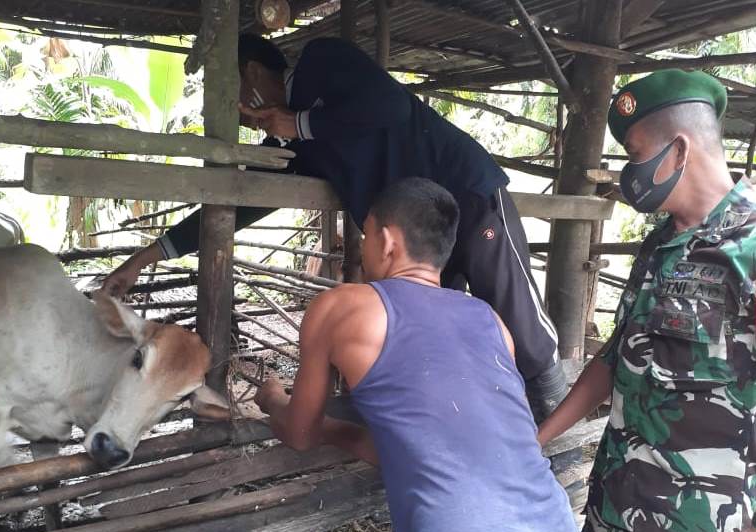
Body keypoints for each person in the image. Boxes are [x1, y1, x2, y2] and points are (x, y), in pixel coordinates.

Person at [101, 34, 568, 422]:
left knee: (516, 314)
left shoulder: (321, 62)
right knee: (436, 336)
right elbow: (240, 206)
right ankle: (473, 426)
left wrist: (300, 121)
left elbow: (391, 107)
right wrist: (142, 259)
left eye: (238, 96)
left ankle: (553, 412)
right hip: (422, 242)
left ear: (254, 73)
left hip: (467, 194)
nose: (243, 111)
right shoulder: (302, 146)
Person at [254, 177, 578, 532]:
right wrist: (339, 433)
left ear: (388, 242)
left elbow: (300, 434)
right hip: (555, 521)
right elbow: (426, 450)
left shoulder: (342, 307)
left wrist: (273, 401)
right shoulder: (492, 321)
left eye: (366, 237)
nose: (362, 250)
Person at [537, 69, 756, 532]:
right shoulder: (659, 244)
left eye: (635, 155)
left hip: (703, 520)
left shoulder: (755, 245)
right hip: (615, 507)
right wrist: (538, 437)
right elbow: (618, 355)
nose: (629, 172)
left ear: (679, 150)